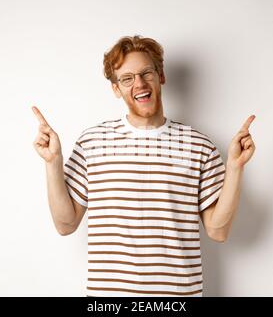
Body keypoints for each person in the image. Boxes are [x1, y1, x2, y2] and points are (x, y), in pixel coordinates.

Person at [32, 35, 256, 297]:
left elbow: (218, 231)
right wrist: (53, 163)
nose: (139, 83)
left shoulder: (200, 146)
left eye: (146, 73)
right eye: (127, 78)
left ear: (161, 76)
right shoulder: (92, 143)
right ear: (116, 88)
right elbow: (65, 224)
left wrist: (235, 167)